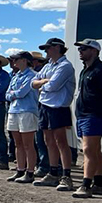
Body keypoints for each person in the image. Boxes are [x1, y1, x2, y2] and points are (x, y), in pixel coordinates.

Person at [72, 39, 102, 199]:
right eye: (80, 48)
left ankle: (86, 185)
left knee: (88, 150)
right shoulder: (85, 70)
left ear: (94, 51)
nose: (80, 51)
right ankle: (99, 183)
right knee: (95, 150)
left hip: (95, 115)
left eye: (84, 48)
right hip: (84, 114)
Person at [31, 38, 77, 189]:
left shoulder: (65, 66)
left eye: (48, 48)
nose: (46, 51)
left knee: (61, 142)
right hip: (45, 106)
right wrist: (44, 82)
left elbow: (53, 86)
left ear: (58, 48)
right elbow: (33, 83)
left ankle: (66, 175)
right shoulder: (49, 66)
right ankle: (53, 173)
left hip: (58, 107)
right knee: (48, 141)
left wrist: (42, 83)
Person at [4, 50, 39, 183]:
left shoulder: (33, 75)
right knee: (18, 143)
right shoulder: (15, 76)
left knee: (28, 143)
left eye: (16, 59)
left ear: (24, 60)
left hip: (27, 110)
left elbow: (22, 92)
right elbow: (7, 94)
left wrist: (13, 94)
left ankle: (30, 172)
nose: (14, 62)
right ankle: (20, 169)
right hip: (14, 111)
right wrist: (14, 94)